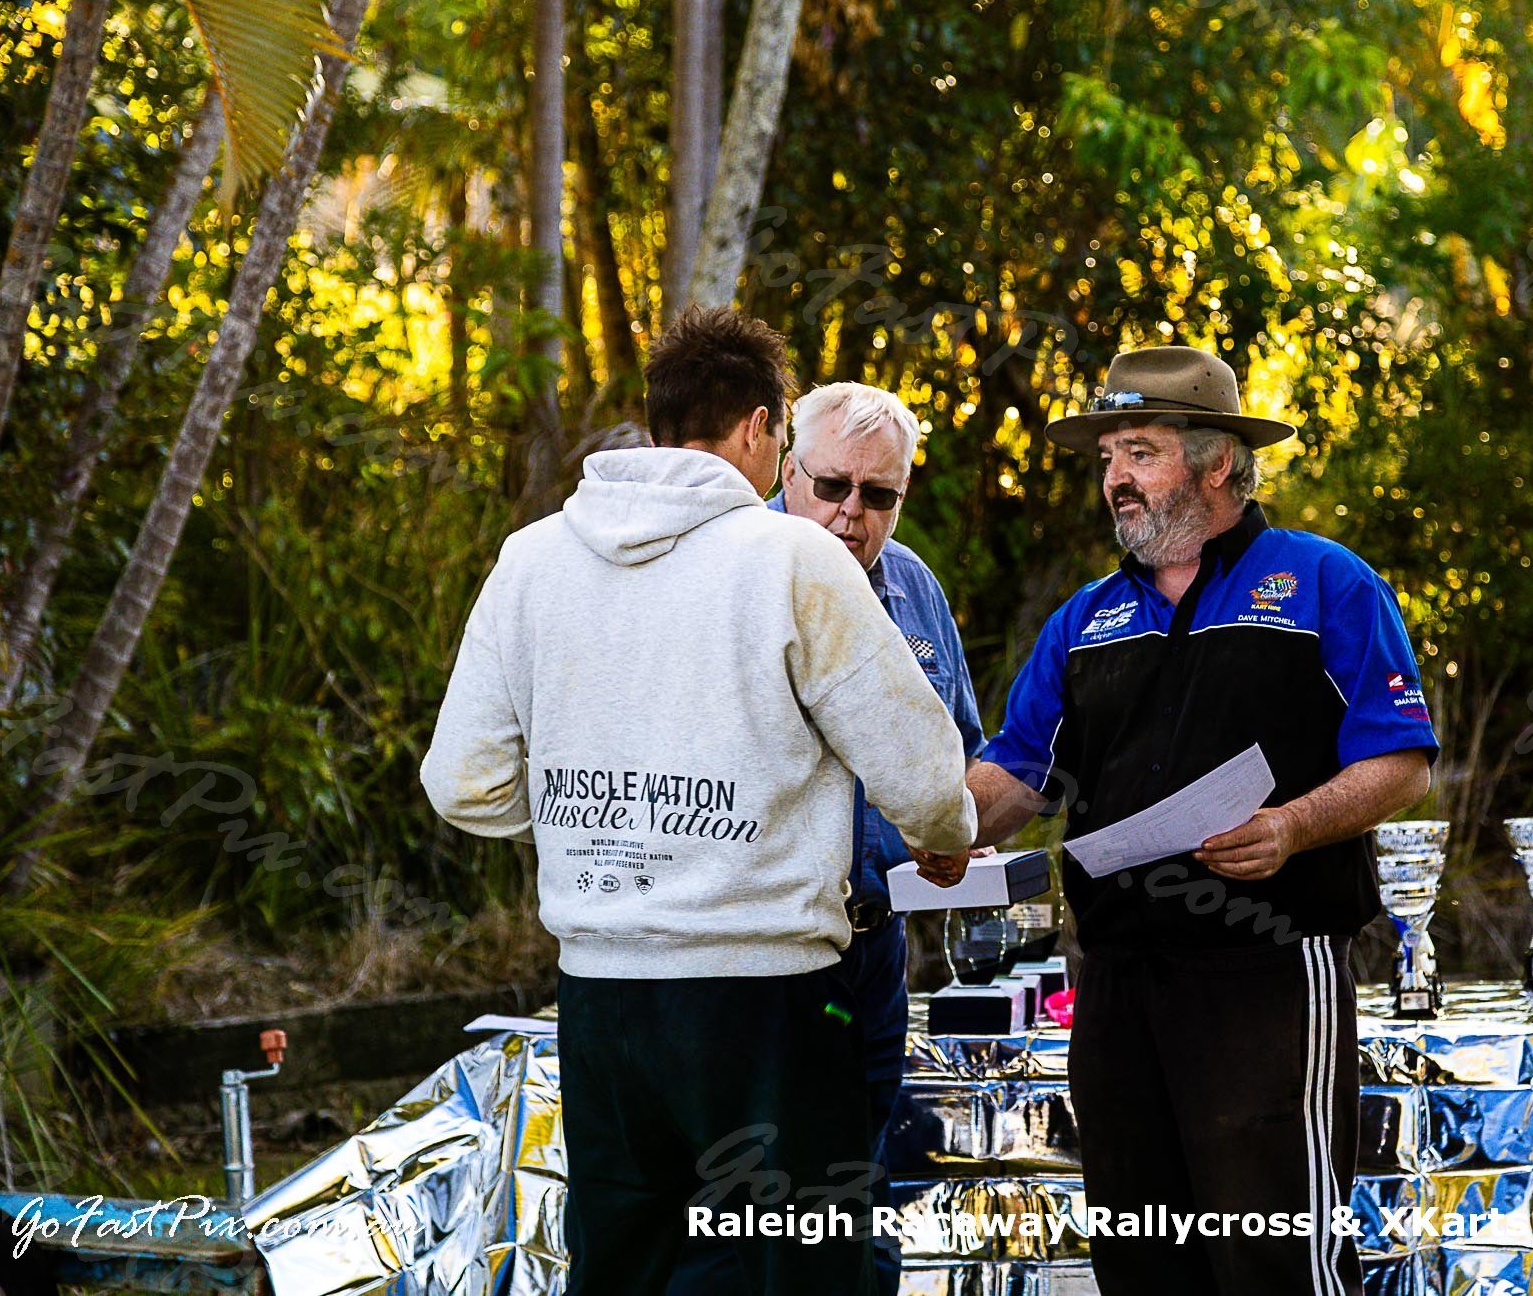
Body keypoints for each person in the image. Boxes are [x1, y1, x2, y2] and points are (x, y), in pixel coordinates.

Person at [419, 307, 977, 1296]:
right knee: (791, 1271)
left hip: (600, 995)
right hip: (766, 998)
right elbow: (929, 782)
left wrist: (598, 816)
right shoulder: (796, 562)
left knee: (624, 1270)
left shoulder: (533, 560)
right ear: (764, 430)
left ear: (656, 415)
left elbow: (461, 781)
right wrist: (945, 835)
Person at [966, 346, 1439, 1296]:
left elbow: (1403, 760)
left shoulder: (1325, 582)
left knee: (1274, 1262)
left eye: (1137, 451)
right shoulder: (1084, 619)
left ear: (1216, 460)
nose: (1114, 480)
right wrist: (923, 820)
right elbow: (1013, 777)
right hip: (1117, 986)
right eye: (1107, 459)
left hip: (1266, 973)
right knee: (1141, 1263)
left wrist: (1296, 826)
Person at [668, 381, 985, 1295]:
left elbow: (948, 755)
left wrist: (949, 841)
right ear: (785, 469)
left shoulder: (914, 589)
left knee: (854, 1204)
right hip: (747, 948)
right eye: (831, 484)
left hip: (870, 949)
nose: (850, 513)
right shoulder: (721, 567)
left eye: (877, 495)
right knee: (733, 1217)